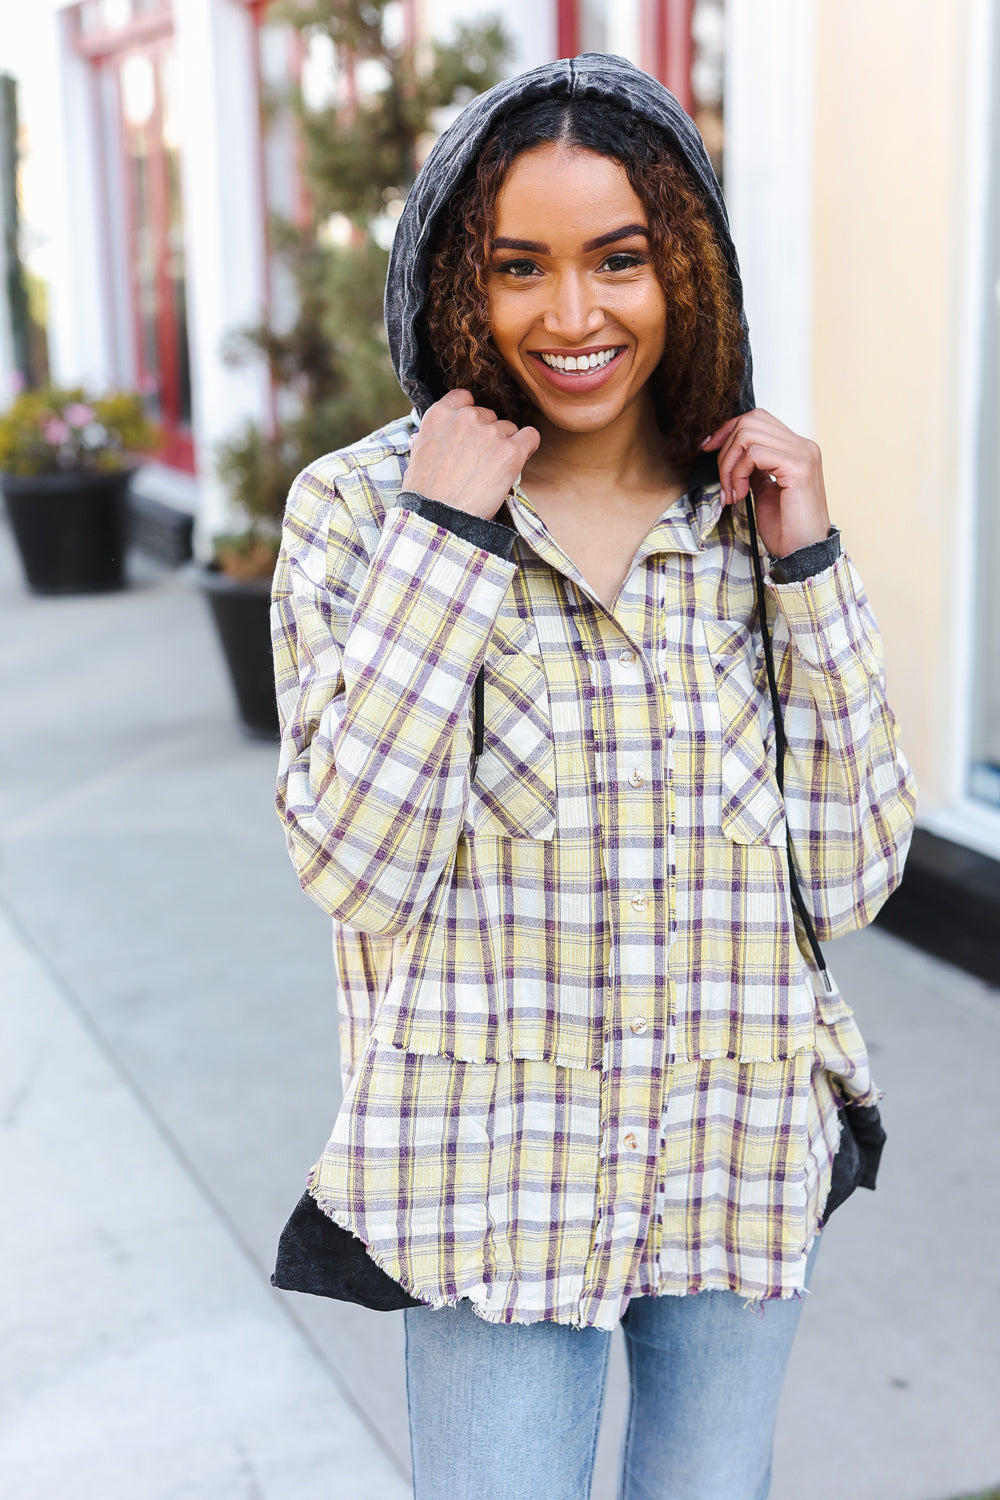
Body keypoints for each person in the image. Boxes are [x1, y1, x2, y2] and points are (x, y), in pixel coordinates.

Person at [270, 54, 916, 1500]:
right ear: (455, 283)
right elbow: (354, 868)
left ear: (681, 267)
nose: (573, 316)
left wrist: (808, 560)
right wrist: (448, 540)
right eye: (520, 267)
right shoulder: (361, 515)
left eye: (619, 259)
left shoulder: (747, 513)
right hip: (496, 1178)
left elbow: (859, 874)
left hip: (737, 1143)